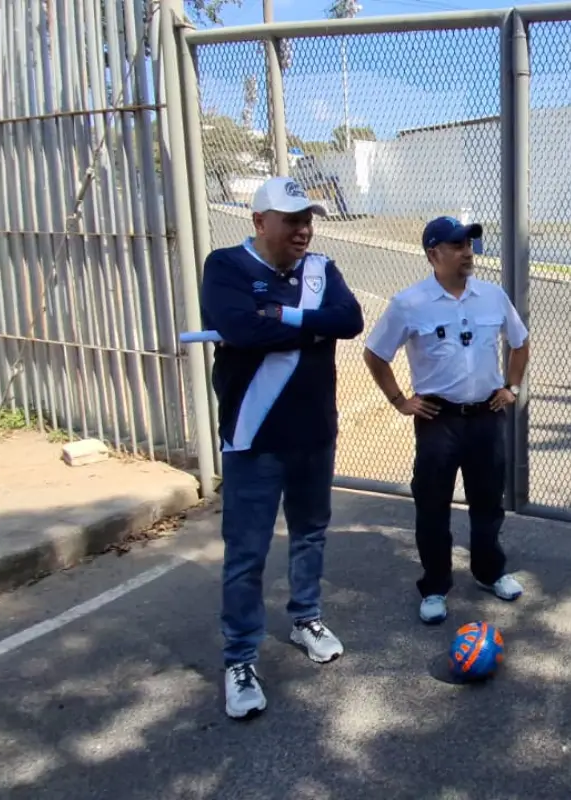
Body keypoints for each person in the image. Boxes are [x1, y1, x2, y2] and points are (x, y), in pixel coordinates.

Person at [199, 176, 364, 720]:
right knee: (246, 553)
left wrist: (283, 316)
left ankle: (305, 618)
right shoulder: (226, 266)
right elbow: (239, 331)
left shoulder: (322, 269)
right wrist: (309, 329)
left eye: (308, 219)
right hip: (254, 437)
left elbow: (349, 320)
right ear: (259, 222)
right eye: (292, 219)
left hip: (315, 430)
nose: (303, 229)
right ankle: (240, 657)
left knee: (311, 532)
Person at [362, 215, 530, 625]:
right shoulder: (410, 303)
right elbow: (375, 354)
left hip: (486, 416)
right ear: (433, 254)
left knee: (488, 504)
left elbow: (520, 342)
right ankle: (435, 587)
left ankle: (490, 572)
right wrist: (400, 400)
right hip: (439, 420)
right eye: (457, 245)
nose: (467, 252)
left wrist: (511, 386)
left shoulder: (491, 296)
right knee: (433, 507)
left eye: (469, 244)